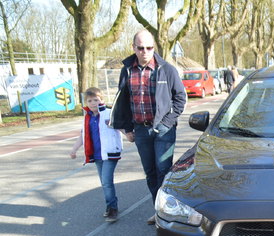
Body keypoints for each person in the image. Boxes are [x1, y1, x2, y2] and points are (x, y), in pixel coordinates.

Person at [110, 29, 187, 225]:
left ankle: (167, 211)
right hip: (140, 130)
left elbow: (180, 98)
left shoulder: (167, 69)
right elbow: (123, 101)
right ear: (133, 48)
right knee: (150, 172)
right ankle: (157, 210)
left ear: (154, 47)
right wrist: (127, 128)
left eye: (149, 47)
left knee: (163, 170)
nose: (145, 51)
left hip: (164, 129)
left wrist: (167, 122)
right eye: (141, 47)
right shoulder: (127, 70)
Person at [70, 87, 124, 223]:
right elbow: (83, 135)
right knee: (104, 182)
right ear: (86, 103)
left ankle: (112, 209)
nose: (93, 103)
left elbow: (120, 126)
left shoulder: (108, 113)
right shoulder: (87, 117)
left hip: (110, 152)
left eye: (96, 100)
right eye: (90, 101)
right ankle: (110, 205)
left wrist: (129, 134)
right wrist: (74, 149)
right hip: (97, 154)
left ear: (102, 100)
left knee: (106, 181)